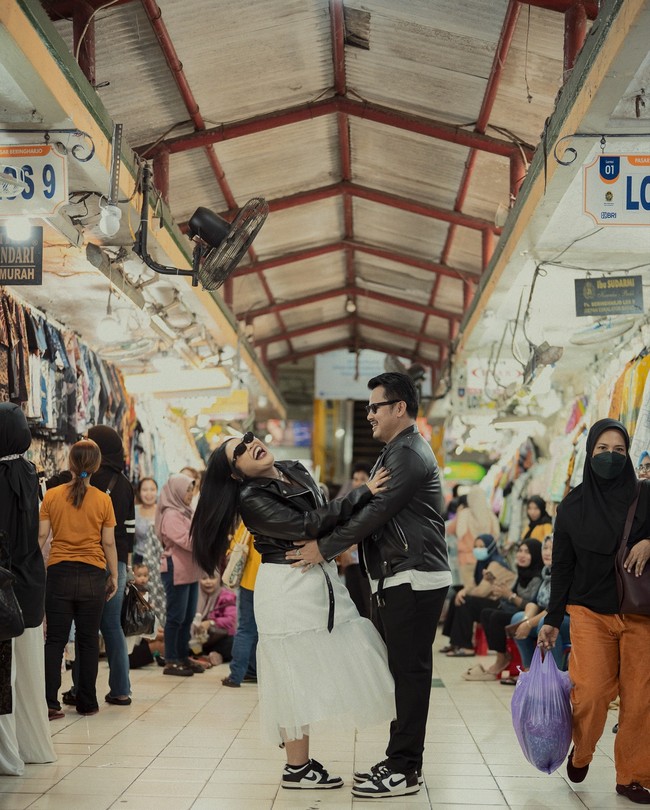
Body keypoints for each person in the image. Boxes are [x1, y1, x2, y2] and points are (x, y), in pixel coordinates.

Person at [191, 434, 395, 791]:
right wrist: (364, 493)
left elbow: (321, 521)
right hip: (286, 587)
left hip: (317, 577)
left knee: (311, 668)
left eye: (247, 439)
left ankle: (299, 765)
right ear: (236, 473)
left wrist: (333, 537)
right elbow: (309, 525)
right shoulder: (251, 497)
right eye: (238, 452)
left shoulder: (293, 469)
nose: (250, 445)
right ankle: (296, 768)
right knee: (291, 675)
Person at [295, 372, 451, 799]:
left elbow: (375, 515)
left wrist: (323, 548)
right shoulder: (395, 452)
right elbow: (370, 509)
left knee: (410, 673)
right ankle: (398, 758)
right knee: (399, 673)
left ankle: (406, 769)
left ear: (399, 407)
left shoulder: (409, 454)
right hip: (397, 574)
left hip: (414, 575)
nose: (368, 415)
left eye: (374, 407)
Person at [539, 418, 650, 804]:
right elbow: (563, 567)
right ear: (589, 453)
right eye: (602, 450)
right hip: (589, 612)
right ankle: (582, 750)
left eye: (619, 451)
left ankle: (633, 776)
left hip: (640, 613)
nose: (610, 457)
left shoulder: (645, 495)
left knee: (640, 697)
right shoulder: (572, 506)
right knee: (590, 693)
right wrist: (552, 619)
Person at [39, 440, 118, 717]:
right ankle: (87, 702)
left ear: (70, 464)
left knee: (55, 641)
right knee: (87, 640)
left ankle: (49, 702)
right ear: (96, 466)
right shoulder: (103, 499)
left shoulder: (51, 496)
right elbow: (108, 542)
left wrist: (35, 571)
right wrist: (115, 575)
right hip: (92, 575)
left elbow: (41, 538)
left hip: (58, 573)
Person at [0, 403, 55, 775]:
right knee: (30, 672)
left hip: (5, 586)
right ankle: (33, 746)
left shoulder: (1, 476)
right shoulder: (30, 473)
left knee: (5, 674)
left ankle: (7, 755)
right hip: (32, 583)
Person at [63, 426, 134, 709]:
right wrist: (123, 567)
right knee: (113, 627)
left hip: (91, 559)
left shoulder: (85, 479)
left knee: (86, 627)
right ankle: (121, 689)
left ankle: (81, 689)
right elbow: (129, 531)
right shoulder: (125, 483)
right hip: (117, 560)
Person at [460, 539, 543, 680]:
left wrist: (510, 596)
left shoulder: (538, 577)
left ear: (535, 555)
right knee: (486, 613)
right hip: (516, 610)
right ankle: (501, 656)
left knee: (496, 617)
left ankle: (503, 660)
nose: (522, 555)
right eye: (520, 551)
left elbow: (533, 605)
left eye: (527, 552)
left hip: (530, 615)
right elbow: (509, 596)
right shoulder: (521, 573)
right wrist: (495, 584)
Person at [157, 473, 201, 676]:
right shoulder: (171, 514)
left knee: (188, 616)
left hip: (189, 570)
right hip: (176, 569)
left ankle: (182, 656)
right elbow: (186, 540)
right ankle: (171, 660)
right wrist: (205, 541)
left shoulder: (186, 512)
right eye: (188, 490)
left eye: (192, 489)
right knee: (176, 616)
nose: (191, 494)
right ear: (177, 491)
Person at [441, 533, 513, 656]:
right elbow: (472, 584)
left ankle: (466, 646)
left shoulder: (496, 564)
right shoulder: (481, 563)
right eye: (476, 546)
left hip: (502, 604)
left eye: (482, 546)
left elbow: (481, 591)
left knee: (466, 601)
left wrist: (464, 592)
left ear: (490, 548)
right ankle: (455, 643)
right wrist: (463, 591)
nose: (478, 550)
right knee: (456, 597)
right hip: (489, 600)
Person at [509, 535, 570, 670]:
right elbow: (533, 604)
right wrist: (525, 620)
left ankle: (554, 674)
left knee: (545, 623)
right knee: (517, 619)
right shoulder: (546, 573)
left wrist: (529, 623)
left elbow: (553, 609)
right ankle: (529, 670)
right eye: (545, 548)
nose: (547, 552)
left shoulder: (564, 573)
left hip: (566, 620)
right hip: (548, 617)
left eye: (552, 548)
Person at [221, 523, 260, 687]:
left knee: (246, 628)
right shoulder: (282, 513)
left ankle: (236, 675)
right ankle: (253, 670)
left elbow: (237, 543)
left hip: (251, 580)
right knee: (260, 630)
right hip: (274, 581)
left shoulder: (252, 513)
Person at [337, 463, 373, 618]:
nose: (358, 483)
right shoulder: (349, 504)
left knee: (369, 605)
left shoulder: (375, 504)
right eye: (355, 479)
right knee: (355, 606)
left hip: (367, 563)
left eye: (362, 479)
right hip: (351, 563)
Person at [447, 485, 500, 588]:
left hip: (466, 560)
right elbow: (496, 536)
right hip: (487, 560)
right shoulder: (490, 515)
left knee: (469, 590)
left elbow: (450, 530)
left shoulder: (464, 514)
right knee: (485, 589)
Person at [190, 571, 237, 666]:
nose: (208, 582)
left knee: (234, 643)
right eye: (204, 578)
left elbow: (231, 620)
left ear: (218, 579)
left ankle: (213, 656)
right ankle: (201, 656)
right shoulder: (193, 596)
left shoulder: (226, 596)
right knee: (184, 641)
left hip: (218, 639)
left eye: (212, 578)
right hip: (197, 641)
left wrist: (211, 623)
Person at [133, 478, 158, 564]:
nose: (149, 493)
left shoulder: (163, 511)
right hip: (139, 558)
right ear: (139, 492)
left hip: (159, 558)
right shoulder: (134, 511)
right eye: (144, 490)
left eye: (152, 489)